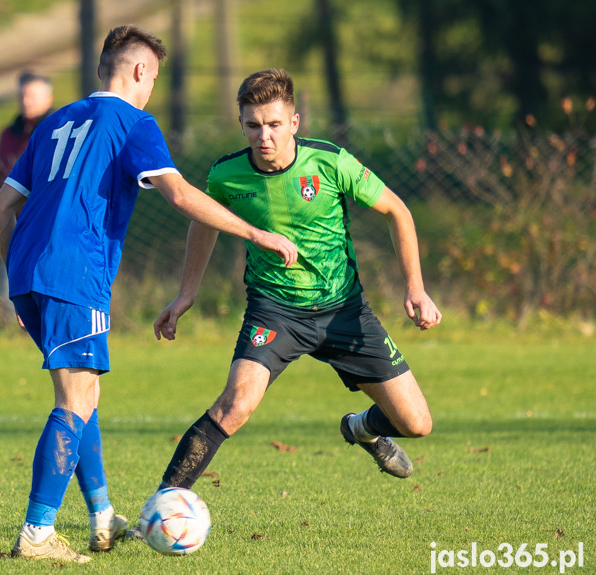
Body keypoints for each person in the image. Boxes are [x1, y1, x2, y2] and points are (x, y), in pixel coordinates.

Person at [0, 30, 298, 564]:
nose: (152, 86)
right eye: (153, 75)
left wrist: (19, 282)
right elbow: (179, 194)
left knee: (84, 398)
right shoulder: (133, 123)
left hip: (29, 275)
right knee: (74, 402)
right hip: (75, 274)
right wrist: (257, 234)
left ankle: (102, 515)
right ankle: (37, 533)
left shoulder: (55, 121)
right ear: (137, 72)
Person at [141, 68, 442, 517]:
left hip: (344, 311)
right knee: (235, 405)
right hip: (274, 312)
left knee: (417, 424)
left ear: (295, 123)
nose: (264, 136)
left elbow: (397, 211)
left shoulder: (330, 162)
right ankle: (160, 506)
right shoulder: (226, 174)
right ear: (241, 124)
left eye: (274, 125)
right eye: (253, 125)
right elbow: (203, 222)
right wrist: (186, 293)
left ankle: (361, 428)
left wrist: (415, 287)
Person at [0, 72, 53, 296]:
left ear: (48, 99)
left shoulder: (57, 131)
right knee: (10, 279)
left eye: (32, 95)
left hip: (45, 220)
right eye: (22, 95)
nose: (25, 101)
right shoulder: (8, 135)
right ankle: (8, 322)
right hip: (11, 218)